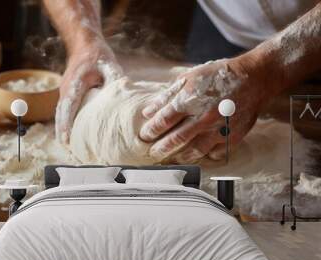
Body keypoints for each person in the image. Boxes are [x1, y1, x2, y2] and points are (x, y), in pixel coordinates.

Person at [43, 0, 321, 162]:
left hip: (312, 29)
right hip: (226, 23)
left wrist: (263, 71)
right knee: (199, 110)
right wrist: (84, 40)